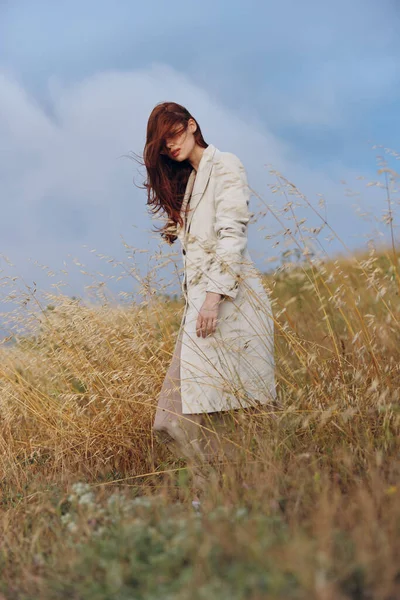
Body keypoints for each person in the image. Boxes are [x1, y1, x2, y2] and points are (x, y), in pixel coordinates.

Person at [142, 102, 277, 501]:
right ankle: (220, 493)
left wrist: (213, 299)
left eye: (174, 135)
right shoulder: (190, 181)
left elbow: (233, 235)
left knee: (235, 412)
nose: (171, 146)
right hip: (202, 309)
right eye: (163, 144)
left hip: (229, 305)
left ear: (192, 125)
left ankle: (226, 500)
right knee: (174, 418)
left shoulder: (225, 165)